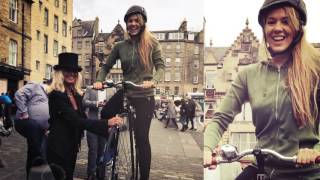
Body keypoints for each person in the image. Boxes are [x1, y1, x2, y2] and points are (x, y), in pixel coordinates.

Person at [204, 0, 320, 179]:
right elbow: (220, 117)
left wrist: (315, 151)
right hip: (263, 168)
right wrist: (207, 147)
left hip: (305, 171)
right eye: (271, 22)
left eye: (286, 21)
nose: (277, 28)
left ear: (299, 27)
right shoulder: (249, 74)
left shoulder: (315, 68)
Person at [93, 5, 164, 179]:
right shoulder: (120, 46)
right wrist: (99, 80)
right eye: (129, 21)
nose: (132, 24)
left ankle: (144, 177)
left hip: (144, 96)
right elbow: (106, 66)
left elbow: (161, 66)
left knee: (141, 138)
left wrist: (153, 81)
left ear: (142, 22)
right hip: (127, 91)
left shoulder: (152, 42)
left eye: (136, 20)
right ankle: (111, 147)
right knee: (106, 113)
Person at [46, 52, 123, 180]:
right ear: (60, 73)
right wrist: (106, 123)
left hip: (72, 144)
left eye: (74, 71)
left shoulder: (74, 94)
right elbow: (76, 120)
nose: (72, 74)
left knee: (68, 175)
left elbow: (83, 118)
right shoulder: (56, 95)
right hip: (58, 146)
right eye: (67, 71)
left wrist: (105, 129)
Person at [14, 81, 51, 179]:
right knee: (36, 150)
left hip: (42, 130)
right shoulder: (35, 86)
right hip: (26, 122)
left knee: (40, 153)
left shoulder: (50, 96)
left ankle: (34, 175)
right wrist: (23, 112)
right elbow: (19, 94)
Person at [83, 86, 114, 180]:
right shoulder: (90, 88)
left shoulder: (111, 90)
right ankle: (91, 173)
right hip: (92, 124)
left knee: (101, 150)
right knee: (93, 149)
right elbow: (84, 102)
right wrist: (96, 103)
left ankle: (99, 172)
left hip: (105, 125)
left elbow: (114, 105)